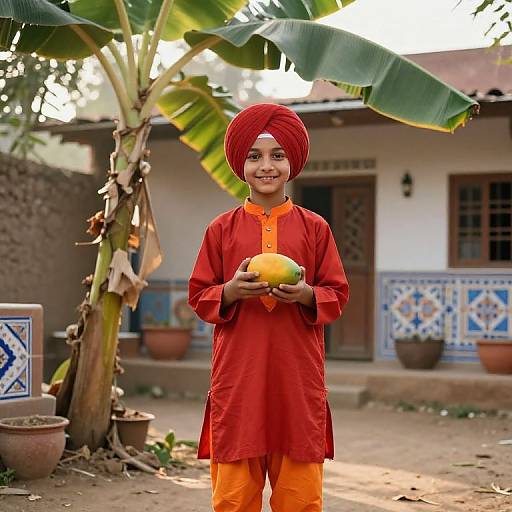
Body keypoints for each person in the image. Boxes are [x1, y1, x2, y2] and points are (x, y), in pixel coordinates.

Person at [188, 103, 349, 512]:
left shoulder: (315, 228)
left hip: (297, 382)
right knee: (232, 499)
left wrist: (308, 295)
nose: (266, 166)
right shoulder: (220, 229)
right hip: (239, 382)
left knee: (301, 499)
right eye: (254, 156)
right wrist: (230, 291)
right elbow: (199, 294)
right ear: (239, 163)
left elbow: (337, 292)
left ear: (292, 161)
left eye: (277, 155)